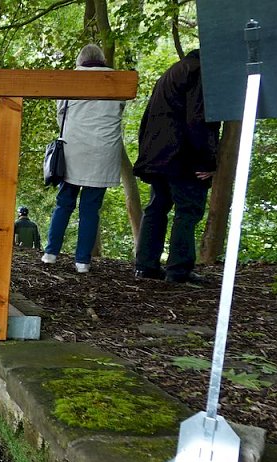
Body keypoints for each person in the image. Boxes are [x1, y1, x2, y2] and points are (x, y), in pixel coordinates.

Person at [133, 49, 220, 283]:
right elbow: (198, 118)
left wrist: (146, 155)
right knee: (188, 210)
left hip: (158, 154)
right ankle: (178, 270)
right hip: (183, 155)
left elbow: (147, 117)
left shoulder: (171, 73)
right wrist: (208, 160)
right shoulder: (199, 72)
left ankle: (145, 265)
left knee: (157, 207)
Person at [40, 44, 125, 274]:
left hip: (74, 147)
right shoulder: (118, 79)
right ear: (102, 60)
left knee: (64, 202)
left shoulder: (71, 79)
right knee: (91, 208)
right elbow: (118, 111)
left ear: (80, 61)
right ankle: (82, 262)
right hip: (104, 150)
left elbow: (61, 114)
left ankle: (50, 253)